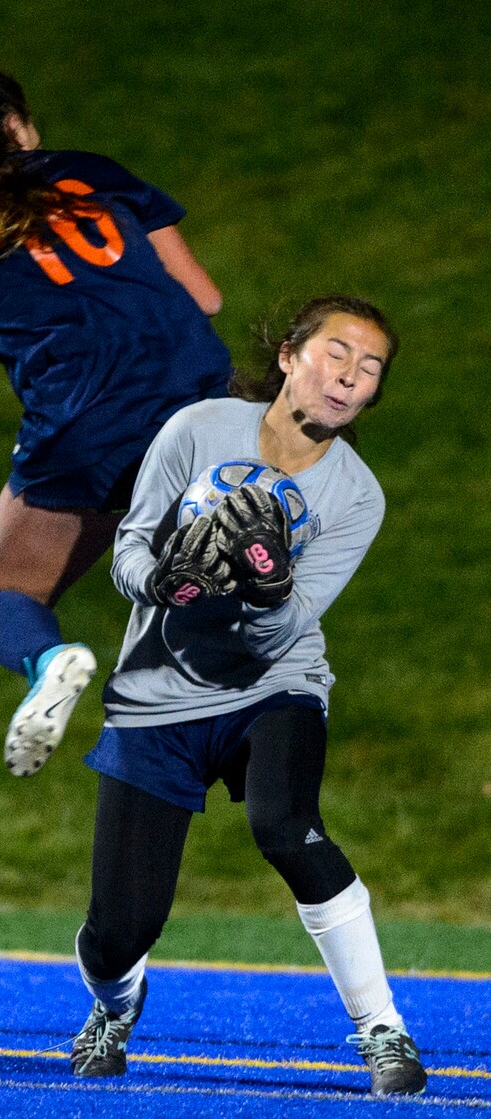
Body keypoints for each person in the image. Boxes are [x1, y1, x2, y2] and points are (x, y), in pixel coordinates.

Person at [70, 295, 428, 1097]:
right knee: (120, 929)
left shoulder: (357, 495)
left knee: (286, 824)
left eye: (370, 368)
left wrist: (269, 588)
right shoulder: (198, 428)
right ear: (290, 356)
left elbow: (287, 628)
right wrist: (161, 580)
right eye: (338, 352)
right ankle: (115, 1005)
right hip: (158, 695)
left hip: (276, 685)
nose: (350, 376)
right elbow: (131, 544)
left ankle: (383, 1029)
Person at [0, 32, 232, 778]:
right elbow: (204, 297)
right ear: (13, 125)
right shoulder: (96, 174)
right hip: (206, 403)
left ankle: (51, 657)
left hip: (87, 429)